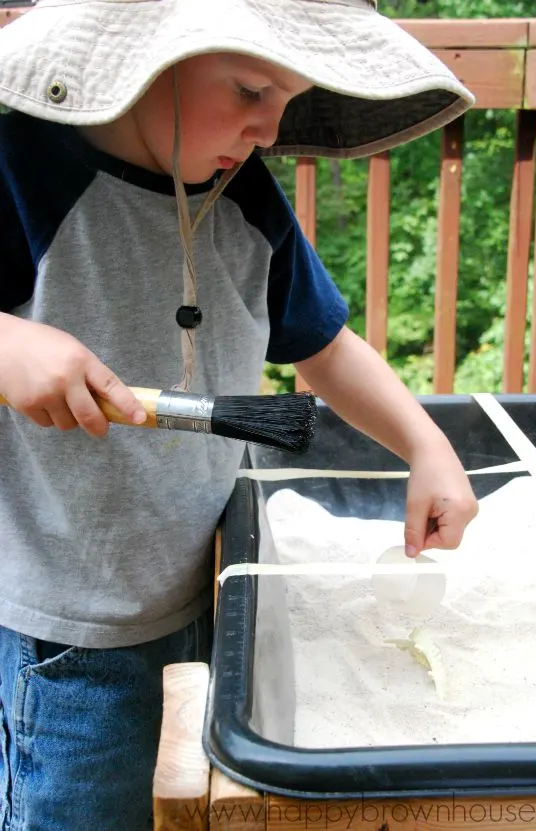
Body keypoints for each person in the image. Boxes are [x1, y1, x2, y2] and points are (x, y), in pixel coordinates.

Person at [0, 0, 478, 828]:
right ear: (147, 56)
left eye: (287, 99)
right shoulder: (19, 169)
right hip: (75, 635)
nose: (267, 127)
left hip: (214, 584)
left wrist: (427, 446)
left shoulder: (246, 197)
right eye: (252, 86)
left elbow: (323, 345)